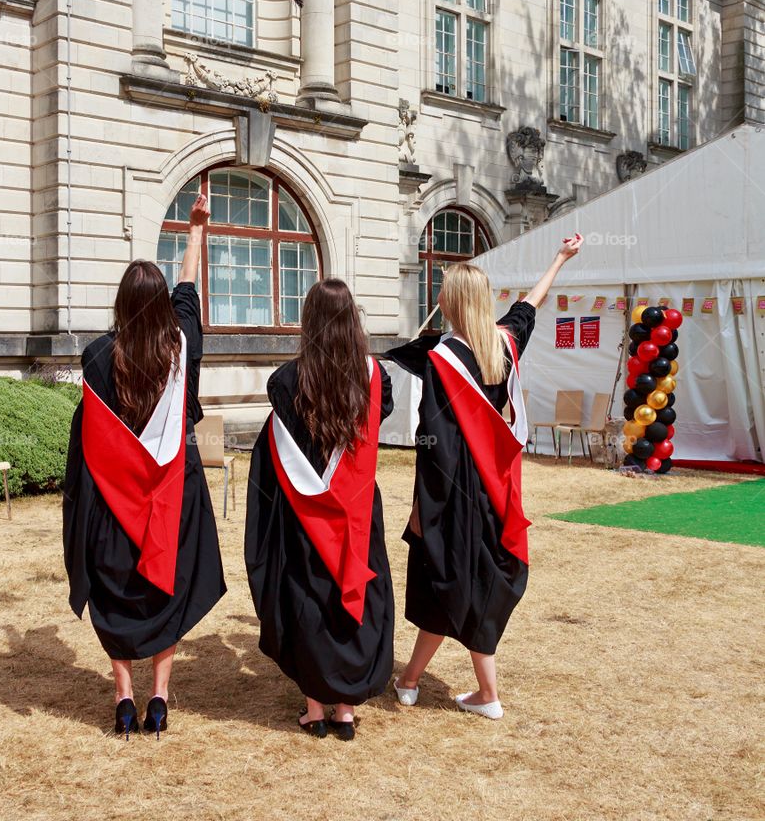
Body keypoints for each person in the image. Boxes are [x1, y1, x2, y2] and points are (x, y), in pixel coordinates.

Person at [387, 235, 583, 719]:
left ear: (450, 302)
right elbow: (529, 306)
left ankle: (435, 686)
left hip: (454, 492)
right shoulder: (504, 345)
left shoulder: (442, 360)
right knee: (473, 585)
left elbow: (433, 439)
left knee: (444, 582)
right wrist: (559, 259)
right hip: (497, 491)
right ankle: (435, 684)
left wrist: (422, 509)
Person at [63, 195, 226, 738]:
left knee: (116, 590)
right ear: (159, 307)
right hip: (170, 494)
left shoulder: (96, 357)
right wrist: (195, 231)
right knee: (167, 586)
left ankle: (123, 699)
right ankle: (160, 698)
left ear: (119, 304)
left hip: (114, 500)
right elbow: (188, 297)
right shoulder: (180, 347)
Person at [245, 278, 394, 741]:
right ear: (353, 320)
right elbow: (378, 418)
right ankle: (345, 710)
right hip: (356, 509)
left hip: (303, 513)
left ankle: (314, 708)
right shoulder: (375, 378)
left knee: (307, 598)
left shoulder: (285, 381)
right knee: (353, 595)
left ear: (308, 321)